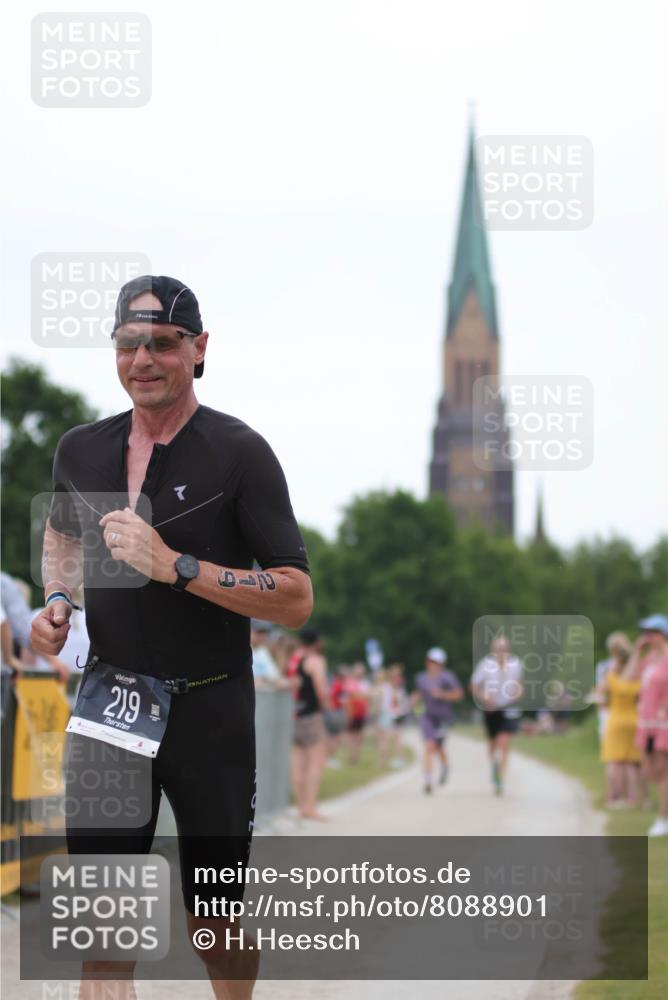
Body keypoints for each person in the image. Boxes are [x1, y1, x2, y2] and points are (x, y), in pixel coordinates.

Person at [30, 275, 313, 999]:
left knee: (211, 928)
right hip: (112, 708)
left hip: (210, 712)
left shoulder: (239, 453)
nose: (143, 359)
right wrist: (59, 597)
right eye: (128, 344)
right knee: (106, 936)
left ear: (198, 348)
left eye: (161, 343)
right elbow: (62, 536)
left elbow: (294, 596)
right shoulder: (79, 449)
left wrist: (175, 566)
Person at [626, 615, 668, 836]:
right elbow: (630, 677)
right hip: (647, 720)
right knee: (649, 769)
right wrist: (636, 651)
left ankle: (663, 818)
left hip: (663, 722)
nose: (646, 637)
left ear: (661, 634)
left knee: (662, 771)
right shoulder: (650, 658)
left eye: (650, 633)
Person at [470, 635, 523, 795]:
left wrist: (517, 693)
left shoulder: (516, 664)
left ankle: (500, 779)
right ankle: (494, 766)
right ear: (493, 651)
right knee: (493, 744)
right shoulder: (485, 665)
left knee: (504, 743)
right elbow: (474, 686)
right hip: (491, 709)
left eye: (505, 649)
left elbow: (520, 685)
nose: (502, 652)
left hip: (508, 708)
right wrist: (484, 696)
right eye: (499, 649)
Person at [595, 633, 642, 807]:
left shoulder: (610, 671)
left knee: (615, 760)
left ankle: (615, 796)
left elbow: (601, 692)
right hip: (634, 718)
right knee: (632, 762)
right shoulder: (637, 670)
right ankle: (634, 797)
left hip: (615, 717)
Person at [287, 626, 329, 819]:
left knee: (297, 762)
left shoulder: (294, 659)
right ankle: (311, 807)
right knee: (314, 763)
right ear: (317, 642)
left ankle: (300, 806)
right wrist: (329, 707)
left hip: (294, 714)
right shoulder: (316, 661)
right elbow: (320, 689)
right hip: (311, 715)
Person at [412, 647, 463, 794]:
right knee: (429, 745)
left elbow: (458, 694)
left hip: (443, 717)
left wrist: (442, 694)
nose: (433, 664)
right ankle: (428, 780)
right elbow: (419, 694)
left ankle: (445, 766)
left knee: (439, 748)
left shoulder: (448, 677)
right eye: (431, 661)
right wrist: (413, 700)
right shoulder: (421, 678)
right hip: (427, 716)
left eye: (436, 662)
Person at [343, 662, 371, 764]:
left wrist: (358, 695)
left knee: (359, 736)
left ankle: (356, 756)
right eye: (358, 671)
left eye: (361, 672)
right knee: (350, 735)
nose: (359, 673)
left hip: (362, 713)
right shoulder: (350, 682)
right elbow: (350, 695)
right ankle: (350, 755)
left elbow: (367, 697)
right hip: (351, 713)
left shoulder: (365, 683)